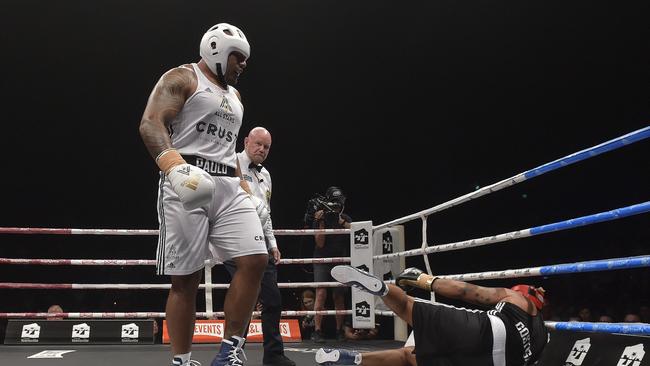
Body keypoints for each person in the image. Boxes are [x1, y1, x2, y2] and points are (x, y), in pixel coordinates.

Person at [139, 22, 269, 366]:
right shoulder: (182, 77)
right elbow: (151, 122)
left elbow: (227, 148)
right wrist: (174, 167)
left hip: (228, 185)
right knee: (186, 279)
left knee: (256, 259)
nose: (243, 65)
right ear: (216, 50)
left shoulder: (236, 96)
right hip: (187, 178)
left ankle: (229, 352)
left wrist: (246, 189)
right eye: (238, 58)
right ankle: (182, 360)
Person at [316, 266, 549, 366]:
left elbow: (468, 292)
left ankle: (382, 289)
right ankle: (354, 361)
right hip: (490, 364)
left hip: (486, 330)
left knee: (408, 306)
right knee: (411, 357)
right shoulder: (543, 337)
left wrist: (424, 280)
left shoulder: (519, 299)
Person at [222, 126, 296, 366]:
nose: (262, 149)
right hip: (235, 241)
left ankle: (273, 355)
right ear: (246, 141)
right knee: (245, 297)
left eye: (266, 147)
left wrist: (272, 243)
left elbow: (266, 212)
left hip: (260, 245)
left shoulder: (267, 176)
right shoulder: (230, 163)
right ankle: (231, 353)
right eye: (258, 144)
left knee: (272, 300)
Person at [307, 187, 351, 342]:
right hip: (321, 260)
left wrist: (343, 222)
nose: (336, 208)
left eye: (338, 205)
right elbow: (320, 244)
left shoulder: (345, 218)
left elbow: (359, 232)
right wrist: (320, 222)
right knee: (320, 294)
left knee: (339, 296)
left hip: (340, 259)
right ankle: (317, 331)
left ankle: (340, 331)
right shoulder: (320, 219)